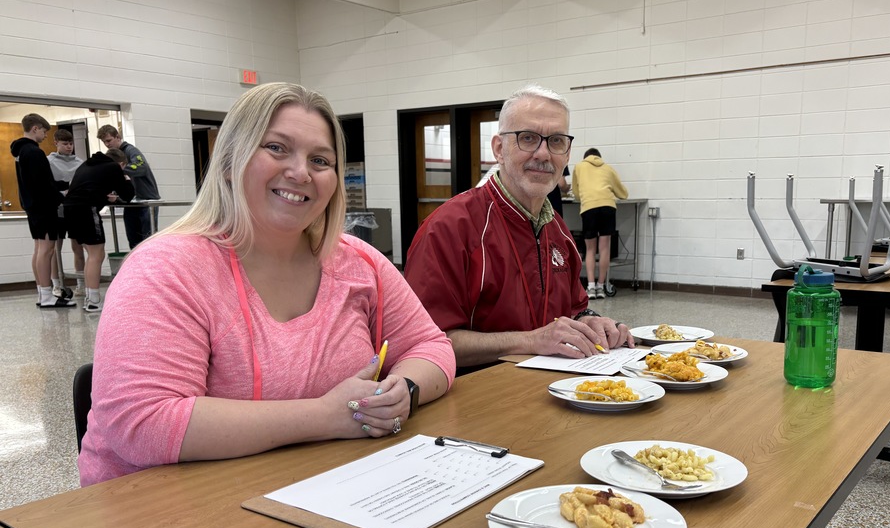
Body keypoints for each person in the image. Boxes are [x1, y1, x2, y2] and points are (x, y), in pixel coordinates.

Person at [79, 82, 456, 486]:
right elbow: (143, 422)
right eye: (276, 148)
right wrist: (325, 415)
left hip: (313, 488)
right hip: (164, 513)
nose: (300, 173)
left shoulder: (356, 260)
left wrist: (403, 391)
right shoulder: (166, 269)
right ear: (229, 161)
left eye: (320, 160)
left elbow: (429, 345)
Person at [404, 84, 633, 370]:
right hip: (478, 399)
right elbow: (424, 343)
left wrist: (590, 322)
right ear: (499, 148)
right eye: (528, 138)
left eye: (557, 141)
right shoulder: (449, 228)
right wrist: (529, 341)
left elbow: (574, 310)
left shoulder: (557, 230)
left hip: (553, 391)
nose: (543, 153)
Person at [9, 114, 75, 308]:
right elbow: (43, 184)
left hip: (33, 206)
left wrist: (62, 185)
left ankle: (42, 292)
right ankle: (47, 296)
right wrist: (61, 194)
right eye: (45, 131)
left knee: (39, 249)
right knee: (46, 251)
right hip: (43, 207)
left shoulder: (21, 151)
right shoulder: (33, 152)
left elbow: (39, 180)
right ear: (35, 128)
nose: (46, 135)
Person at [63, 148, 135, 313]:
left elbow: (86, 187)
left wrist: (103, 196)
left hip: (70, 209)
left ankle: (90, 297)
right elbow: (128, 194)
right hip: (86, 209)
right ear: (121, 163)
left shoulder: (87, 165)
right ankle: (94, 301)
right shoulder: (113, 167)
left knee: (91, 254)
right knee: (97, 254)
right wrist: (126, 178)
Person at [571, 147, 629, 299]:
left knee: (590, 249)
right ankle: (601, 287)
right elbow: (623, 193)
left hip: (589, 208)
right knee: (605, 248)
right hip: (608, 207)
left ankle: (590, 288)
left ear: (586, 157)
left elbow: (576, 193)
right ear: (599, 157)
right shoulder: (608, 169)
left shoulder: (579, 167)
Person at [96, 124, 160, 248]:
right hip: (130, 202)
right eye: (104, 142)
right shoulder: (112, 155)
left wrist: (120, 169)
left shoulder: (131, 150)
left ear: (118, 137)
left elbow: (142, 167)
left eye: (109, 140)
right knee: (133, 241)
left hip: (146, 201)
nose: (107, 144)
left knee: (147, 241)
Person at [47, 128, 86, 297]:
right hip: (57, 209)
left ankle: (81, 283)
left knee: (78, 247)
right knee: (56, 248)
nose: (69, 147)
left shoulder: (80, 162)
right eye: (65, 144)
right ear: (56, 143)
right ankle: (57, 284)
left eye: (71, 143)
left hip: (76, 208)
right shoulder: (49, 161)